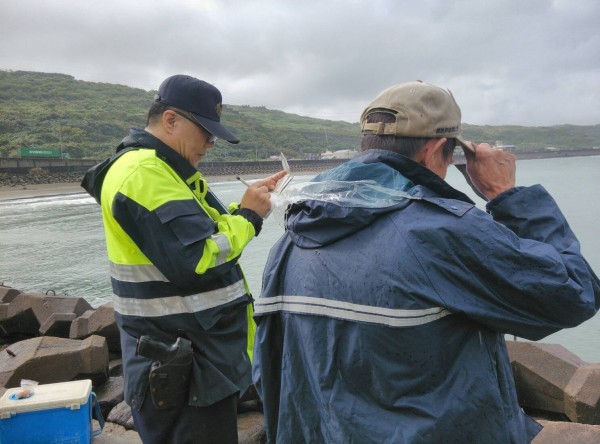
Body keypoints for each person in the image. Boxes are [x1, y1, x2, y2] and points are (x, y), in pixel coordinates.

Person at [252, 80, 600, 443]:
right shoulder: (441, 231)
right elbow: (575, 294)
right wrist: (506, 195)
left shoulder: (293, 237)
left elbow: (269, 372)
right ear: (434, 151)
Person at [82, 74, 286, 444]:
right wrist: (250, 218)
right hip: (180, 368)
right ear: (170, 120)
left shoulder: (168, 172)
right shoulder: (144, 173)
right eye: (206, 131)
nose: (210, 142)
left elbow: (202, 233)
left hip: (191, 361)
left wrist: (246, 206)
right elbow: (196, 259)